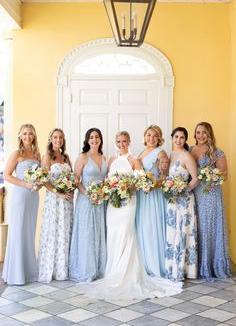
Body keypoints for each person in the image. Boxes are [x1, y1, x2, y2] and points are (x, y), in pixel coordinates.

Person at [77, 131, 182, 300]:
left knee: (126, 233)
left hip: (128, 202)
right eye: (118, 141)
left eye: (124, 141)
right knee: (113, 232)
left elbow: (140, 182)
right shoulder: (111, 160)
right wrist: (109, 190)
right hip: (112, 203)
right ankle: (112, 271)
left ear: (130, 141)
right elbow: (106, 181)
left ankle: (126, 272)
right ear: (115, 142)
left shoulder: (135, 160)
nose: (121, 144)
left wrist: (125, 188)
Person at [190, 122, 231, 280]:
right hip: (195, 194)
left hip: (211, 194)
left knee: (209, 227)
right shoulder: (190, 150)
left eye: (204, 132)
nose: (201, 135)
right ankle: (196, 265)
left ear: (209, 135)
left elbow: (224, 175)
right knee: (197, 227)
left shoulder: (217, 152)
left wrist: (211, 174)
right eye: (198, 132)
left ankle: (212, 266)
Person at [2, 124, 40, 285]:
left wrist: (38, 182)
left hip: (33, 197)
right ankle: (15, 274)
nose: (27, 136)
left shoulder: (37, 154)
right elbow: (6, 176)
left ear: (34, 136)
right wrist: (26, 184)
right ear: (20, 136)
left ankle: (28, 272)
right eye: (24, 133)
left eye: (30, 133)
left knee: (28, 232)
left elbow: (41, 175)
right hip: (20, 195)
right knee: (18, 231)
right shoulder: (17, 153)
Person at [69, 128, 107, 282]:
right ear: (87, 140)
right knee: (86, 233)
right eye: (91, 137)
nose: (94, 140)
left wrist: (101, 194)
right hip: (85, 201)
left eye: (97, 137)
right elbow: (76, 180)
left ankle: (98, 268)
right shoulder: (83, 157)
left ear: (100, 140)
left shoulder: (104, 158)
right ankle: (85, 270)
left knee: (98, 232)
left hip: (100, 202)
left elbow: (105, 181)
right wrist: (88, 194)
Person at [38, 128, 73, 283]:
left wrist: (70, 189)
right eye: (55, 137)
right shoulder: (47, 157)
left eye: (60, 137)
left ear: (63, 140)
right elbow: (44, 180)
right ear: (51, 139)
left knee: (65, 231)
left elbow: (72, 176)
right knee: (54, 231)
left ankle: (64, 269)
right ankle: (52, 270)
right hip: (54, 200)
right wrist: (58, 193)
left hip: (67, 200)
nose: (58, 140)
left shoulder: (66, 157)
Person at [165, 127, 198, 281]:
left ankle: (183, 270)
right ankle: (172, 268)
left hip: (184, 200)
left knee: (183, 231)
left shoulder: (186, 156)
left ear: (185, 140)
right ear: (172, 138)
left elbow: (196, 178)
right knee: (173, 232)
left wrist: (183, 190)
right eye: (176, 137)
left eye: (182, 137)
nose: (178, 140)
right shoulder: (171, 154)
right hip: (172, 201)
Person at [136, 125, 168, 277]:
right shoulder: (141, 152)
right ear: (144, 136)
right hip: (141, 196)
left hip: (153, 196)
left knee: (152, 228)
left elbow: (164, 175)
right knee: (141, 228)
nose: (151, 138)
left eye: (155, 136)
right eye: (148, 135)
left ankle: (155, 265)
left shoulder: (160, 153)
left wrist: (153, 184)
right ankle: (144, 264)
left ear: (159, 138)